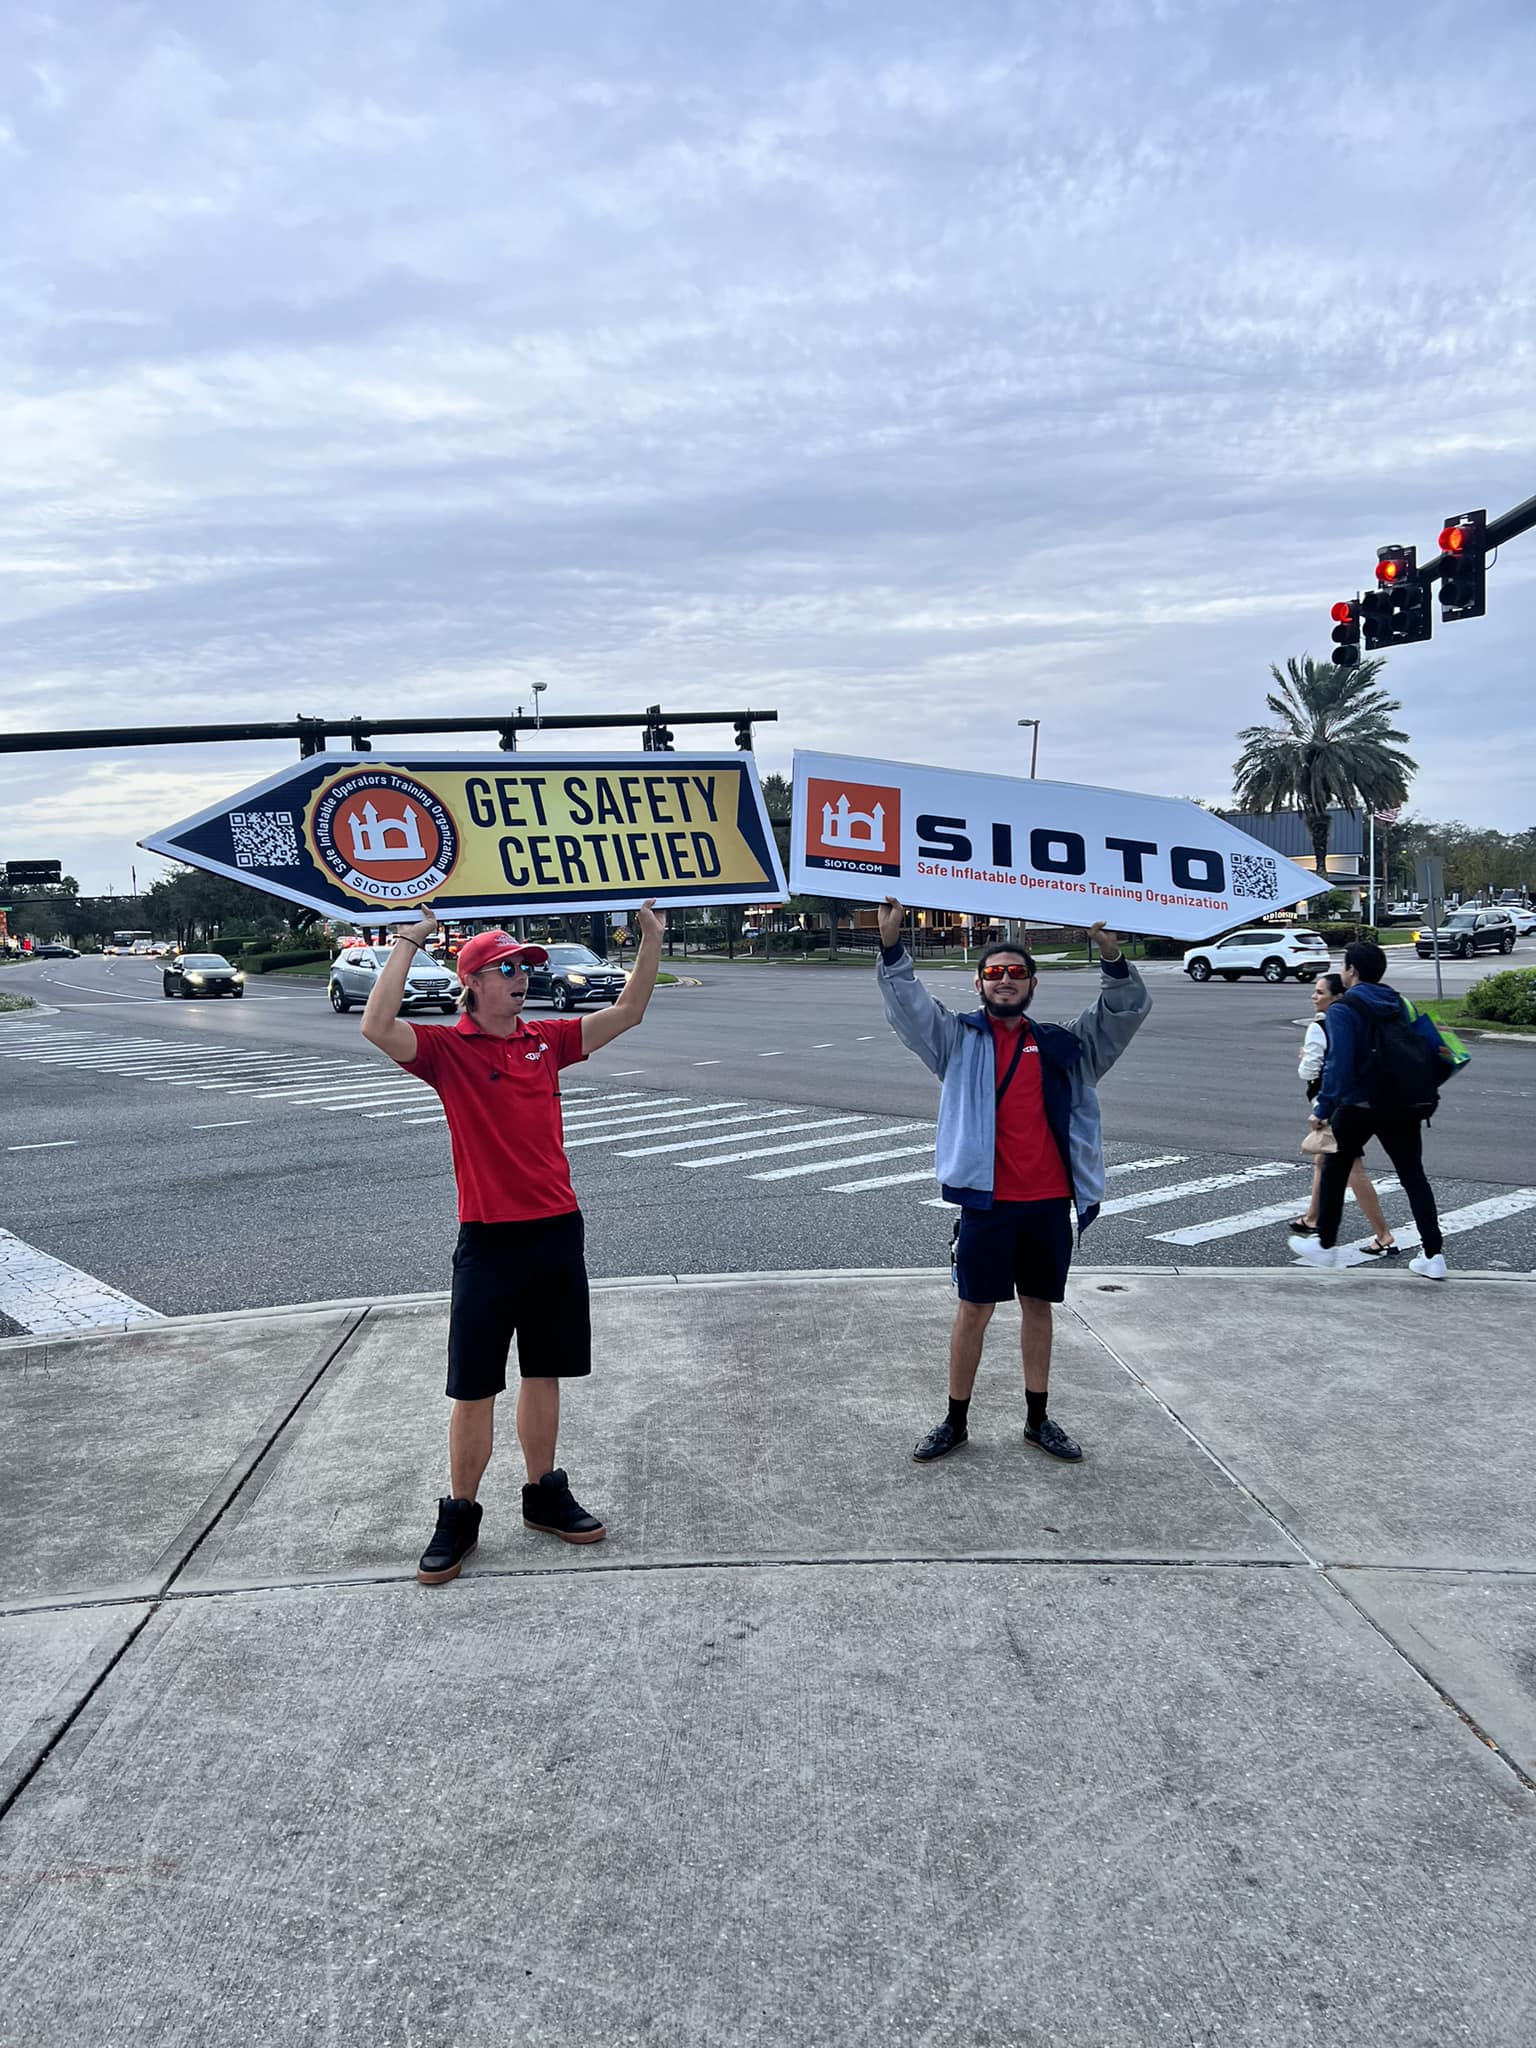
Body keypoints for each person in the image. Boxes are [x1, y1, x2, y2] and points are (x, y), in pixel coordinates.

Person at [362, 900, 667, 1583]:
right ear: (472, 983)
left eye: (526, 967)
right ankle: (461, 1512)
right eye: (506, 969)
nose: (522, 978)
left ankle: (543, 1495)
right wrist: (409, 942)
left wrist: (651, 941)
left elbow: (628, 1013)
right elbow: (377, 1025)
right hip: (489, 1239)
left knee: (544, 1370)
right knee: (473, 1385)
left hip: (558, 1230)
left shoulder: (545, 1042)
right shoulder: (447, 1050)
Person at [876, 900, 1151, 1464]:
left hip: (1049, 1203)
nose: (1005, 981)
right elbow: (908, 1008)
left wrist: (1113, 957)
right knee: (973, 1308)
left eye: (1016, 972)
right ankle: (955, 1420)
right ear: (979, 983)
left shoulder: (1064, 1047)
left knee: (1038, 1306)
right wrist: (891, 945)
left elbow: (1122, 1015)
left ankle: (1037, 1419)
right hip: (988, 1203)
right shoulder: (956, 1041)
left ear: (1032, 983)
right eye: (995, 973)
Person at [1289, 939, 1447, 1280]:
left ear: (1352, 971)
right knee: (1413, 1176)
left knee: (1334, 1165)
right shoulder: (1400, 1002)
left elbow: (1339, 1064)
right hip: (1404, 1103)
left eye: (1345, 967)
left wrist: (1323, 1108)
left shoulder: (1344, 1009)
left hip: (1360, 1104)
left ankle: (1325, 1245)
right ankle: (1433, 1255)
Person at [1291, 971, 1398, 1258]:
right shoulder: (1356, 1021)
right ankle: (1313, 1218)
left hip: (1336, 1104)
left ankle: (1383, 1234)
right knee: (1323, 1159)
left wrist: (1305, 1058)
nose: (1314, 997)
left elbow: (1309, 1071)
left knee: (1352, 1169)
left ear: (1336, 996)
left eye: (1320, 993)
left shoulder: (1320, 1027)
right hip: (1365, 1098)